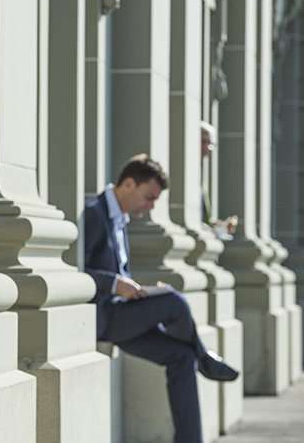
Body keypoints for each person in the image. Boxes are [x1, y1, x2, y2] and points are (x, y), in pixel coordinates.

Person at [83, 153, 238, 443]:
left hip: (120, 314)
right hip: (102, 316)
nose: (151, 206)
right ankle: (206, 357)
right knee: (175, 303)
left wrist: (132, 287)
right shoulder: (93, 212)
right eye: (149, 197)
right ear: (128, 184)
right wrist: (115, 283)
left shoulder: (119, 218)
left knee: (181, 356)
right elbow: (75, 269)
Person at [200, 121, 237, 239]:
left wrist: (215, 223)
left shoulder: (199, 170)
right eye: (203, 141)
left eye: (211, 144)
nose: (207, 148)